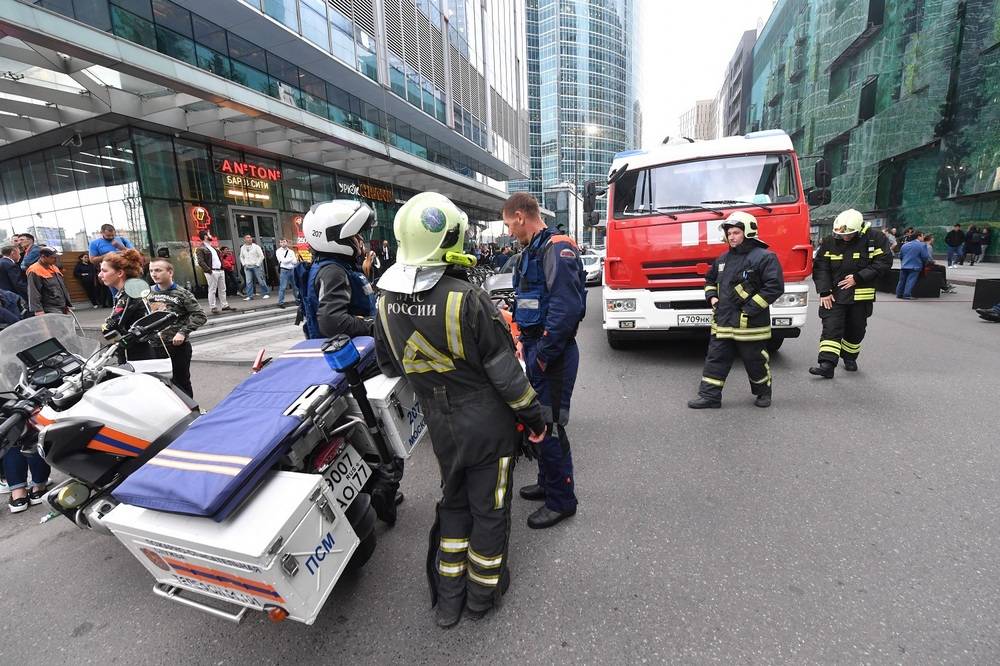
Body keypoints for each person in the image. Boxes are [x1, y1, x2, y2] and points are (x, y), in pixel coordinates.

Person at [374, 191, 546, 627]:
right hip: (486, 420)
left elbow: (389, 364)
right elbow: (507, 374)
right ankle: (481, 597)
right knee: (490, 509)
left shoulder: (385, 302)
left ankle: (448, 601)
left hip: (441, 422)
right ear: (451, 238)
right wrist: (535, 419)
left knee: (454, 502)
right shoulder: (467, 297)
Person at [296, 200, 402, 525]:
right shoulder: (331, 270)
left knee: (373, 430)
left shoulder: (338, 268)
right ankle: (383, 491)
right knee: (381, 431)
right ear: (335, 239)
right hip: (350, 364)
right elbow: (331, 321)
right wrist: (375, 326)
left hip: (352, 360)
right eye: (356, 237)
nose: (361, 242)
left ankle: (380, 484)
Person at [503, 192, 586, 529]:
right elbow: (530, 304)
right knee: (539, 424)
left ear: (521, 216)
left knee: (548, 427)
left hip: (553, 354)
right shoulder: (533, 250)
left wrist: (542, 359)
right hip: (538, 348)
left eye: (509, 224)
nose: (508, 231)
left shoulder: (556, 248)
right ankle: (546, 481)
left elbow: (566, 311)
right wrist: (523, 341)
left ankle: (562, 500)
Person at [687, 212, 784, 408]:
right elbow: (710, 280)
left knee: (755, 361)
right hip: (723, 322)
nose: (731, 237)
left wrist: (749, 309)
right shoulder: (722, 259)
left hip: (750, 325)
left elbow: (774, 287)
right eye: (729, 233)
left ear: (748, 232)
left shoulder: (764, 257)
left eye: (736, 232)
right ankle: (710, 396)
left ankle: (763, 393)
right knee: (715, 359)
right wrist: (712, 298)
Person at [808, 209, 892, 378]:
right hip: (834, 295)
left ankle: (849, 357)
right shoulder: (830, 241)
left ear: (859, 229)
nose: (844, 238)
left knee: (856, 330)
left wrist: (858, 278)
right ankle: (827, 364)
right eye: (841, 234)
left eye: (849, 234)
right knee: (831, 328)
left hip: (860, 296)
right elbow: (821, 267)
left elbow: (883, 262)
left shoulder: (876, 239)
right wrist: (824, 291)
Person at [147, 258, 207, 397]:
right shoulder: (147, 293)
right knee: (158, 384)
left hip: (176, 347)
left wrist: (183, 332)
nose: (154, 274)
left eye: (158, 270)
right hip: (153, 346)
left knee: (181, 382)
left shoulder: (182, 293)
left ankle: (191, 412)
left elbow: (200, 315)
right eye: (151, 270)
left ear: (170, 272)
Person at [100, 249, 168, 363]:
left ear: (120, 273)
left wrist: (105, 326)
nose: (100, 274)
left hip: (137, 354)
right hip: (144, 349)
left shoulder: (128, 295)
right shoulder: (132, 291)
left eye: (104, 271)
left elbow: (110, 327)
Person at [195, 230, 233, 314]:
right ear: (205, 236)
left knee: (222, 289)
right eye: (208, 234)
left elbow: (218, 258)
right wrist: (209, 270)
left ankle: (224, 305)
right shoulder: (200, 248)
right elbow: (200, 261)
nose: (210, 235)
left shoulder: (213, 248)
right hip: (212, 271)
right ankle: (213, 307)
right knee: (212, 289)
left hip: (220, 270)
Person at [26, 247, 72, 315]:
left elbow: (61, 286)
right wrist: (38, 310)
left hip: (61, 305)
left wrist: (67, 303)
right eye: (53, 257)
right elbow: (33, 291)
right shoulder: (34, 270)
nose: (56, 259)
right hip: (49, 307)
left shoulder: (54, 267)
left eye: (56, 257)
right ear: (43, 257)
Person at [896, 231, 931, 300]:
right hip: (915, 266)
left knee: (901, 280)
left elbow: (900, 256)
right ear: (918, 236)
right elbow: (925, 257)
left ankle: (899, 294)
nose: (923, 237)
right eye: (922, 236)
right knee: (910, 280)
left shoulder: (905, 245)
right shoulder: (922, 245)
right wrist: (924, 263)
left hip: (904, 265)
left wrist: (903, 262)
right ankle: (907, 294)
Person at [239, 234, 270, 300]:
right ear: (244, 240)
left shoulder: (256, 247)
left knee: (260, 280)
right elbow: (241, 256)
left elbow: (261, 256)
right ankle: (249, 295)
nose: (249, 239)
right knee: (248, 281)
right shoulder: (242, 247)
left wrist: (258, 264)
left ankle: (266, 293)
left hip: (255, 265)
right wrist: (244, 264)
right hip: (247, 266)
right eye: (247, 238)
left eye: (250, 237)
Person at [275, 238, 299, 308]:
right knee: (283, 287)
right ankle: (280, 302)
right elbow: (283, 261)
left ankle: (298, 300)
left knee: (295, 287)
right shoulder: (278, 251)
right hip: (284, 270)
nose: (283, 243)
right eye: (281, 242)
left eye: (284, 242)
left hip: (292, 270)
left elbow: (295, 262)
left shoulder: (291, 251)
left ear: (287, 242)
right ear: (280, 244)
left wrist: (289, 260)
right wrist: (291, 258)